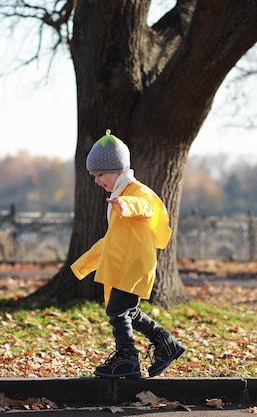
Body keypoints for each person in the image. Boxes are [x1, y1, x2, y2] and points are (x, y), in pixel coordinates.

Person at [70, 129, 185, 379]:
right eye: (93, 175)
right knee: (128, 311)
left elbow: (146, 208)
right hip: (125, 267)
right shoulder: (118, 196)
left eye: (100, 174)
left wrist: (127, 205)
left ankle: (128, 358)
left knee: (117, 311)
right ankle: (167, 344)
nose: (96, 180)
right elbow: (109, 242)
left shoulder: (135, 193)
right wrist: (83, 265)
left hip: (133, 266)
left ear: (118, 170)